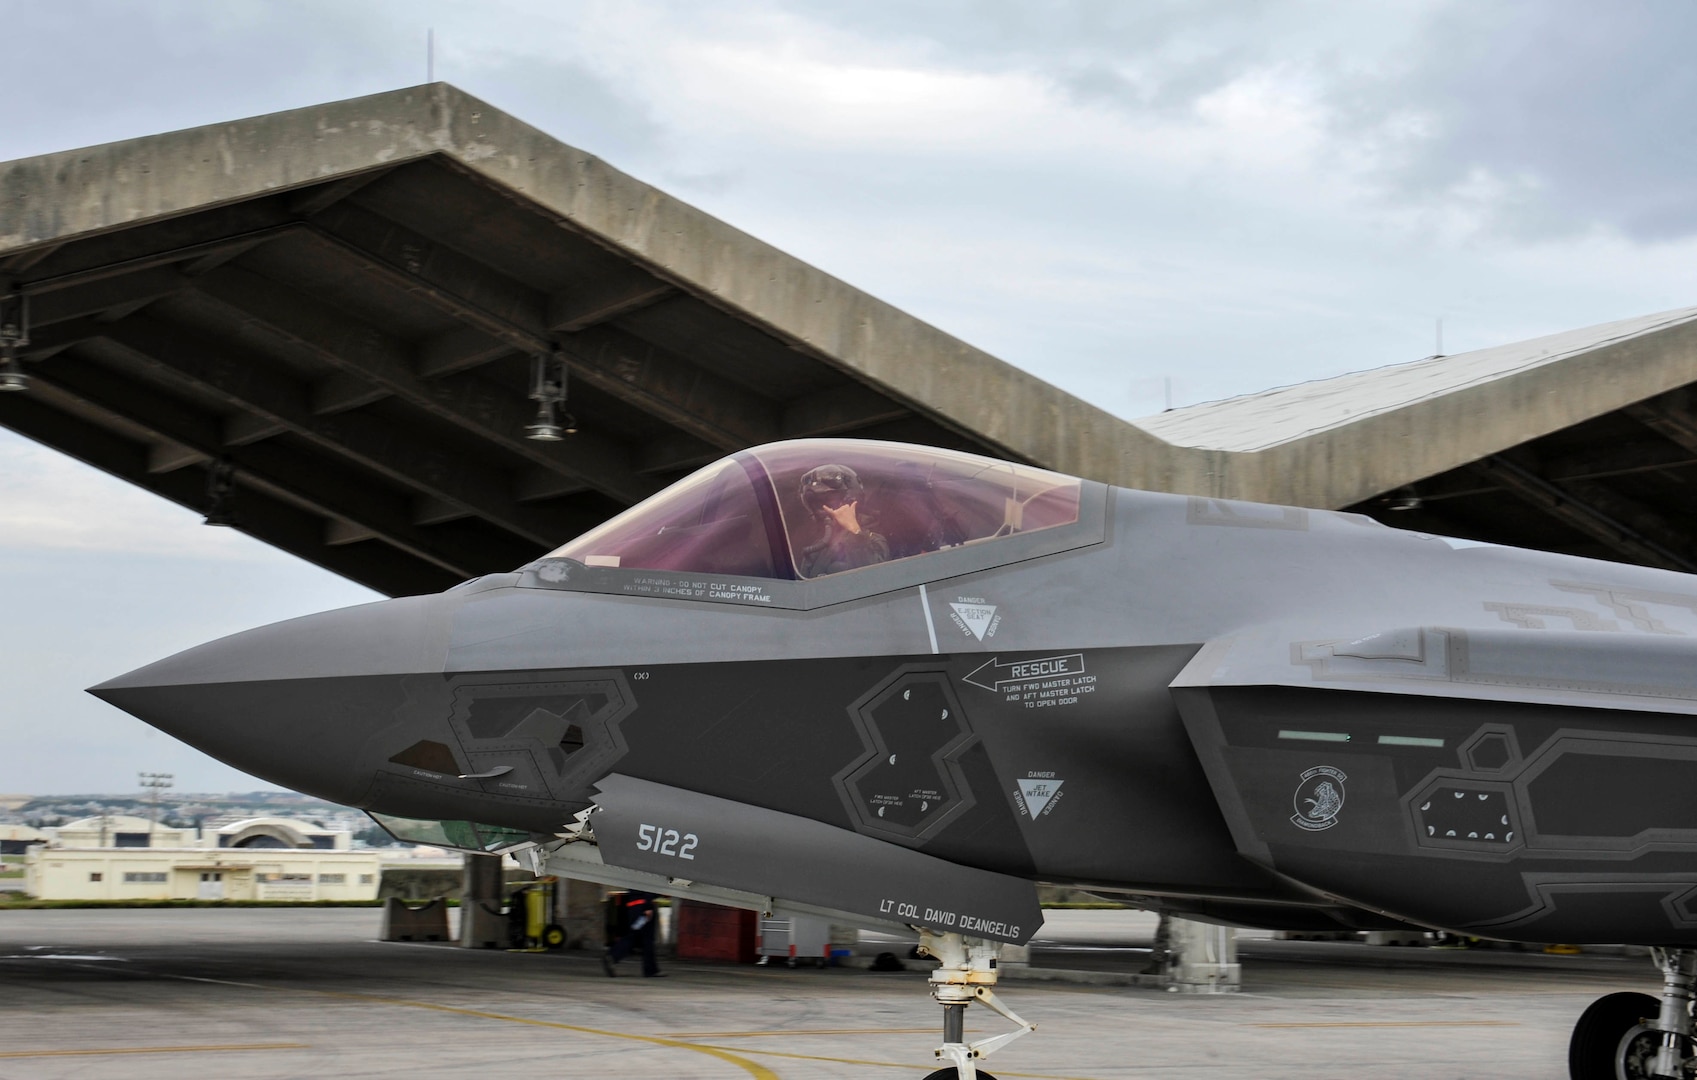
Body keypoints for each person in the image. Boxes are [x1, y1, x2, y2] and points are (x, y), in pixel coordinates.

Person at [796, 464, 889, 578]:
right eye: (818, 503)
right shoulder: (817, 548)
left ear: (850, 502)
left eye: (830, 501)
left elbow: (876, 579)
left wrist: (854, 531)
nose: (825, 509)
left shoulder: (873, 540)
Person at [603, 889, 662, 977]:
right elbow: (648, 887)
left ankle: (651, 969)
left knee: (636, 935)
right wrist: (648, 906)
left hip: (634, 907)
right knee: (645, 939)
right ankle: (613, 956)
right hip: (643, 908)